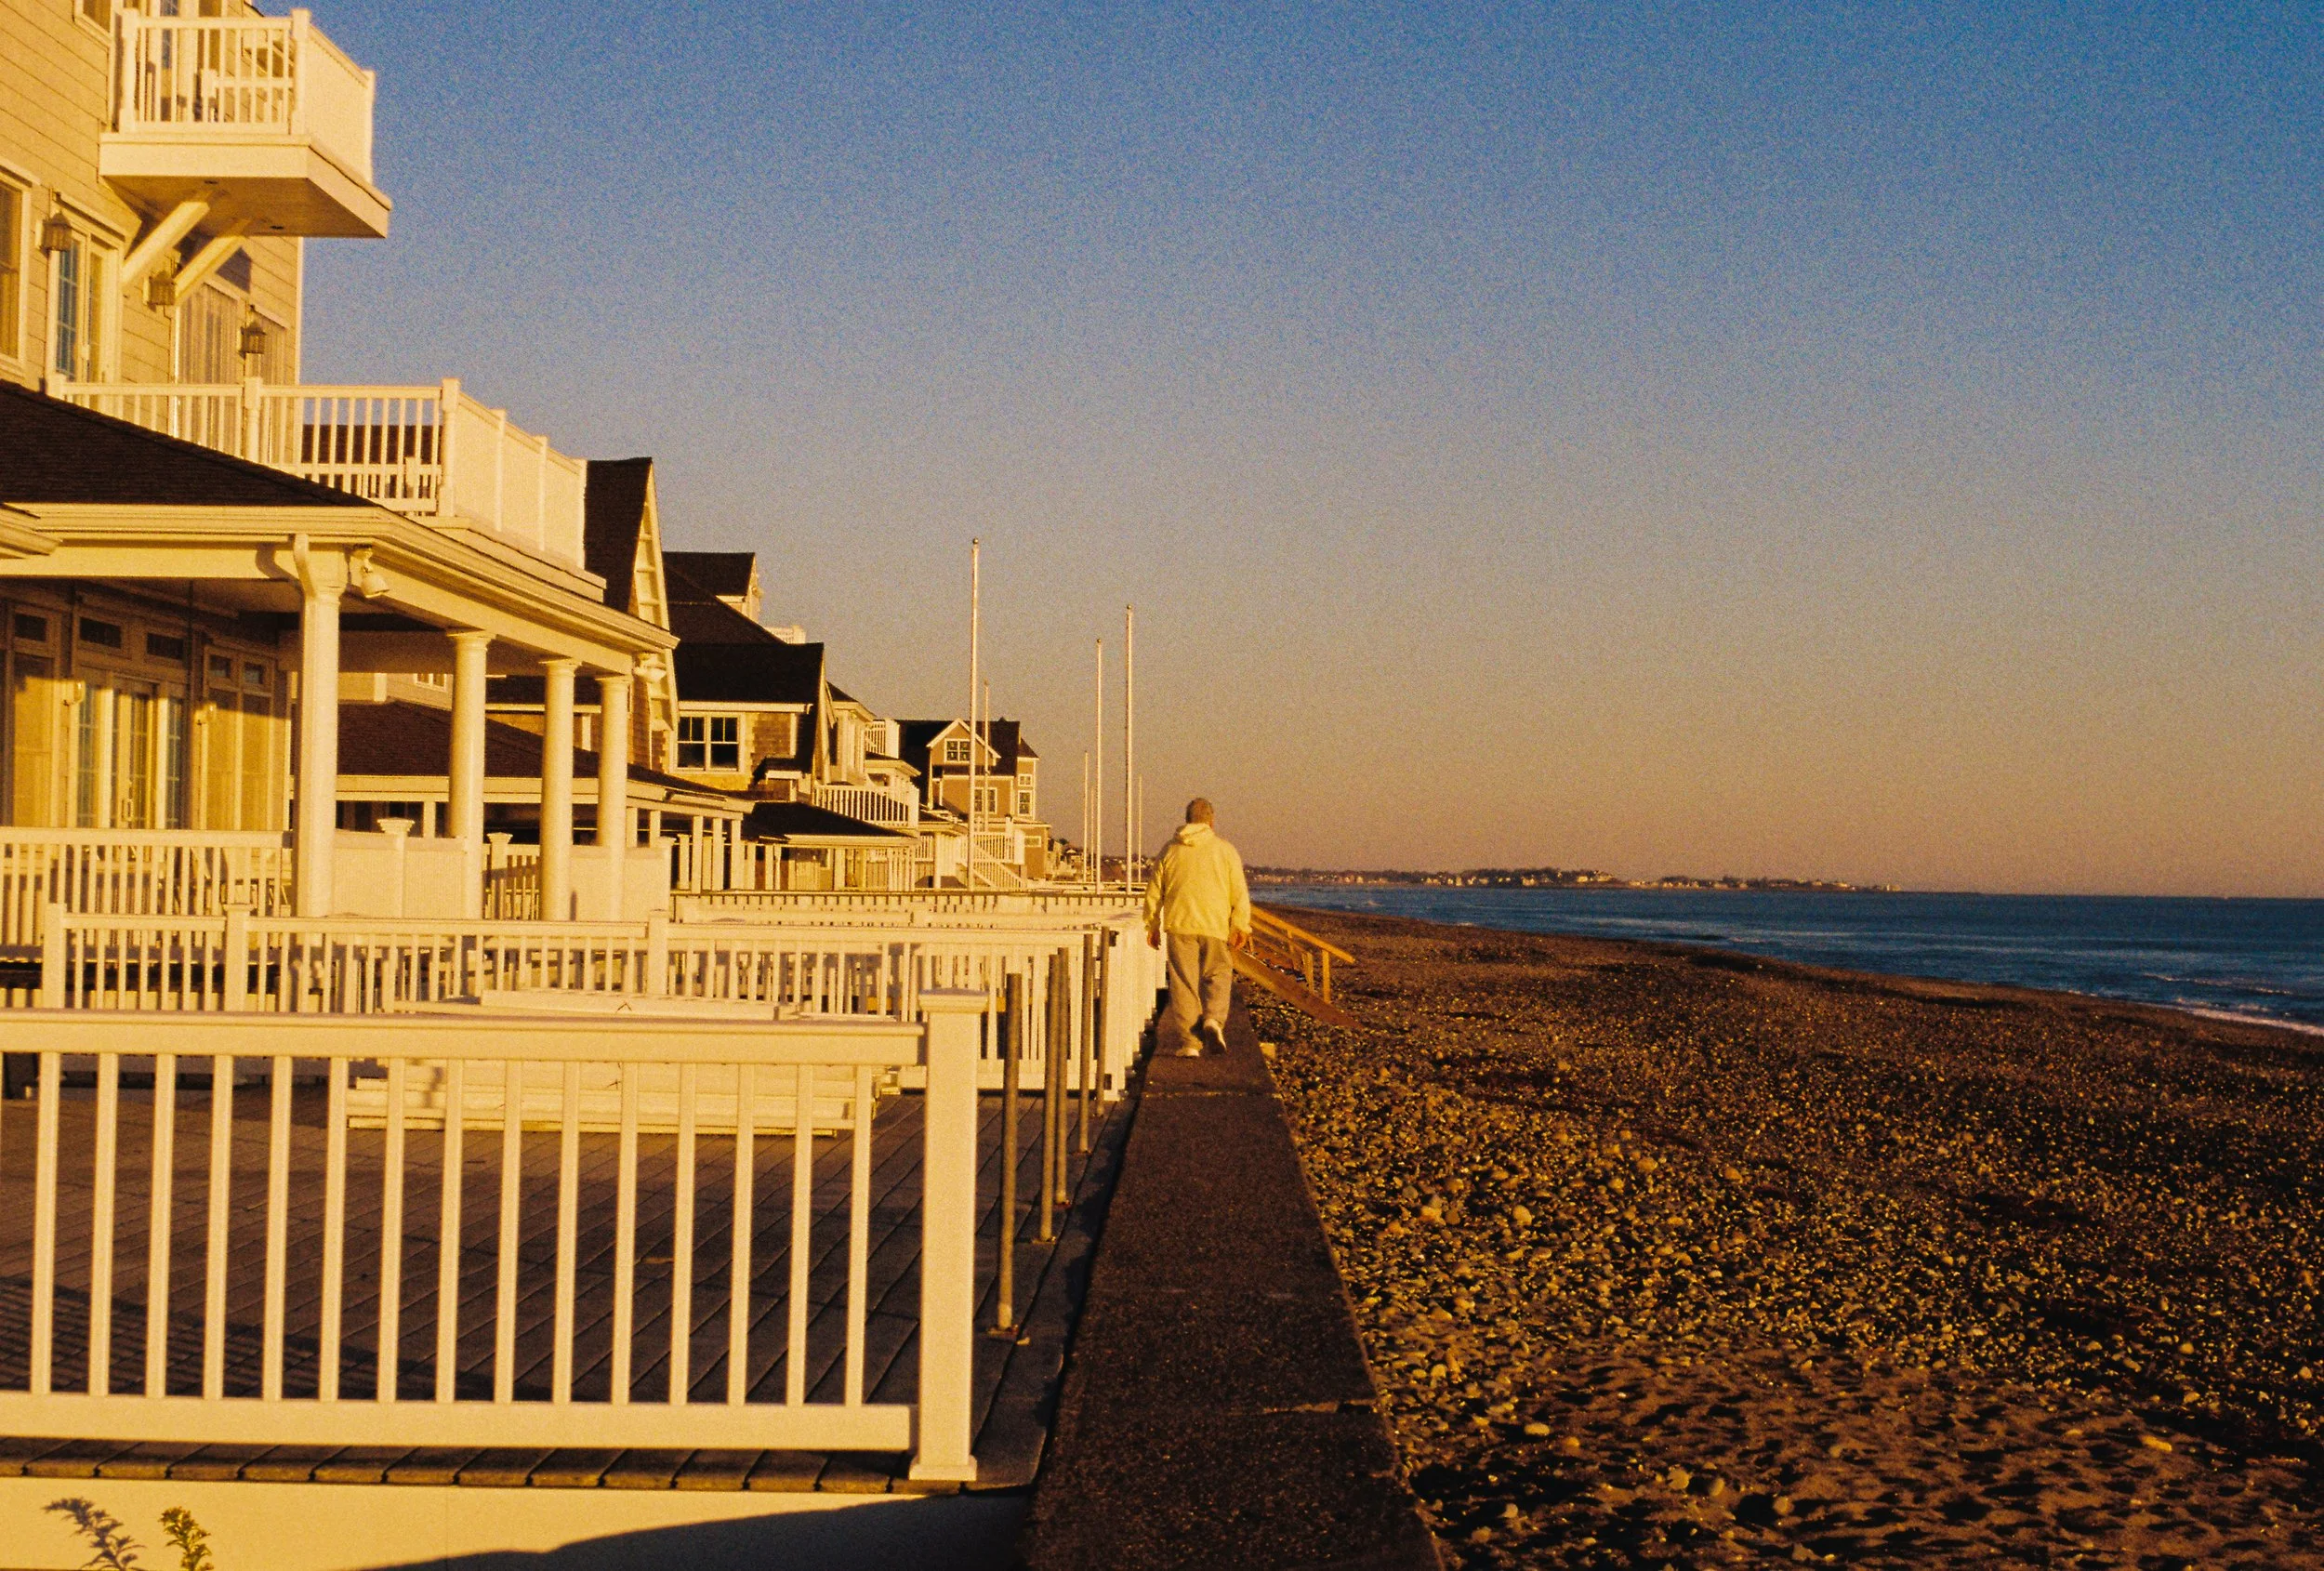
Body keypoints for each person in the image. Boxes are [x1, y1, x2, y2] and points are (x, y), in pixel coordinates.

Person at [1143, 798, 1252, 1057]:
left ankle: (1190, 1043)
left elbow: (1154, 891)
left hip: (1180, 924)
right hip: (1215, 923)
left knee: (1183, 983)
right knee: (1218, 973)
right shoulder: (1225, 851)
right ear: (1211, 821)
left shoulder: (1169, 850)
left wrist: (1152, 924)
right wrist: (1240, 926)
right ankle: (1213, 1020)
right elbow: (1239, 892)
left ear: (1187, 819)